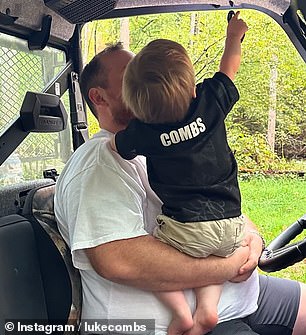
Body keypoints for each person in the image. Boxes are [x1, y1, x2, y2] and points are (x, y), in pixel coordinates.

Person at [54, 40, 306, 335]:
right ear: (99, 98)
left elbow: (214, 208)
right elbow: (117, 260)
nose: (146, 82)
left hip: (244, 297)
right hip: (180, 326)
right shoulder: (99, 162)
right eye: (132, 75)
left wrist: (251, 239)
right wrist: (231, 263)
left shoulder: (164, 144)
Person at [110, 12, 247, 335]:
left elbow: (117, 146)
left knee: (156, 263)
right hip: (232, 224)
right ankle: (208, 310)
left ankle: (181, 313)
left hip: (184, 230)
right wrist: (233, 36)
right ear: (193, 89)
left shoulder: (143, 133)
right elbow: (230, 66)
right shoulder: (210, 102)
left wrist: (121, 138)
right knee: (212, 256)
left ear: (136, 106)